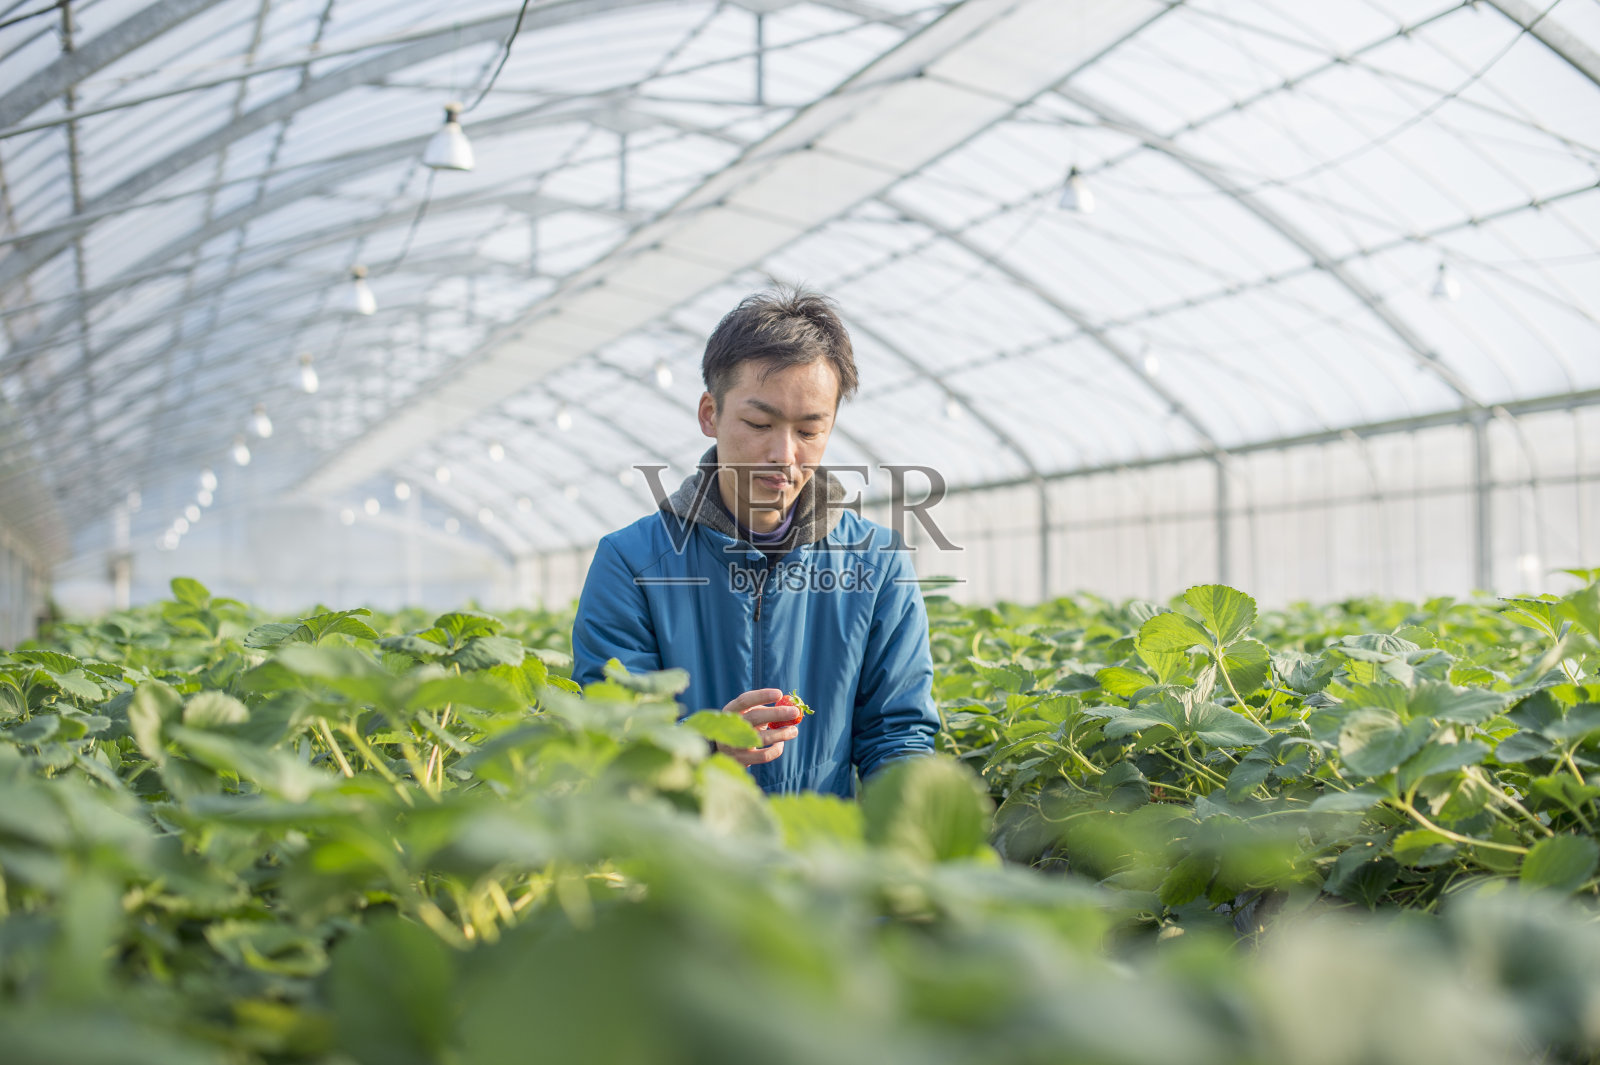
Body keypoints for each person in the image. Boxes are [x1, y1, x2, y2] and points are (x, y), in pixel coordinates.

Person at [570, 287, 939, 797]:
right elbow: (611, 732)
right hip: (679, 857)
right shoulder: (631, 563)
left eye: (810, 431)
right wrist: (707, 746)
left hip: (823, 856)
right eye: (759, 424)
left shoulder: (877, 563)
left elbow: (898, 733)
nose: (783, 454)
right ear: (709, 414)